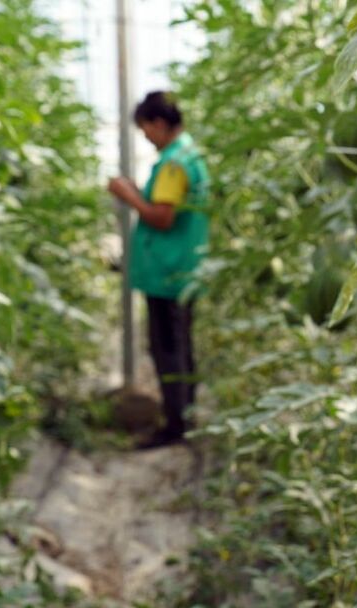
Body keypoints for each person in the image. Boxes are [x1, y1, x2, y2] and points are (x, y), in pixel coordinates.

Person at [107, 91, 209, 448]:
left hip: (168, 273)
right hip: (185, 268)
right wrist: (138, 192)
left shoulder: (172, 163)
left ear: (160, 124)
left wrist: (127, 195)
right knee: (181, 346)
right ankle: (187, 418)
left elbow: (162, 217)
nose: (146, 137)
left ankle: (175, 427)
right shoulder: (190, 155)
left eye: (146, 129)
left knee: (168, 348)